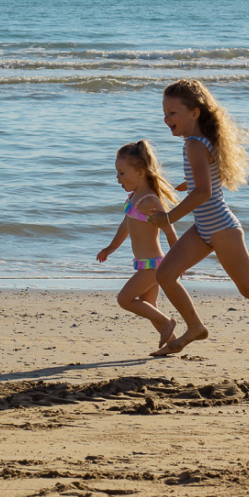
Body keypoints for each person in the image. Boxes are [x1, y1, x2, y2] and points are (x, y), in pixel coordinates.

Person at [148, 79, 249, 375]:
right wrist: (191, 183)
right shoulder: (197, 143)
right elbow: (204, 182)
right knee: (166, 275)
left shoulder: (195, 145)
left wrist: (168, 218)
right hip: (204, 229)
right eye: (164, 112)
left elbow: (204, 194)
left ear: (194, 113)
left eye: (172, 112)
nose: (166, 118)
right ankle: (195, 327)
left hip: (222, 229)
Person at [95, 140, 182, 351]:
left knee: (124, 299)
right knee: (149, 307)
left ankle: (168, 323)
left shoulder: (151, 201)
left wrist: (179, 262)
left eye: (122, 173)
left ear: (141, 172)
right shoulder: (134, 198)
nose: (118, 178)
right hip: (144, 264)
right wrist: (110, 248)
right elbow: (125, 226)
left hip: (154, 266)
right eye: (117, 173)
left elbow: (170, 231)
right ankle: (173, 344)